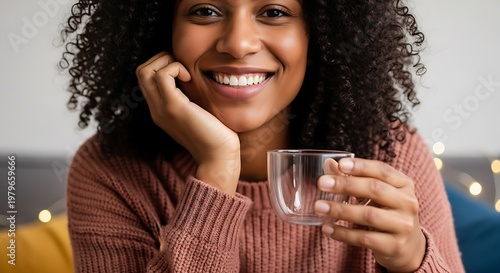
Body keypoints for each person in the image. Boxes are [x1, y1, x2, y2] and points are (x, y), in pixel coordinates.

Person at [61, 0, 465, 272]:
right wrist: (218, 167)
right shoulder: (110, 170)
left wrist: (415, 258)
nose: (238, 44)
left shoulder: (390, 151)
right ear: (161, 31)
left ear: (319, 35)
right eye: (205, 10)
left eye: (273, 11)